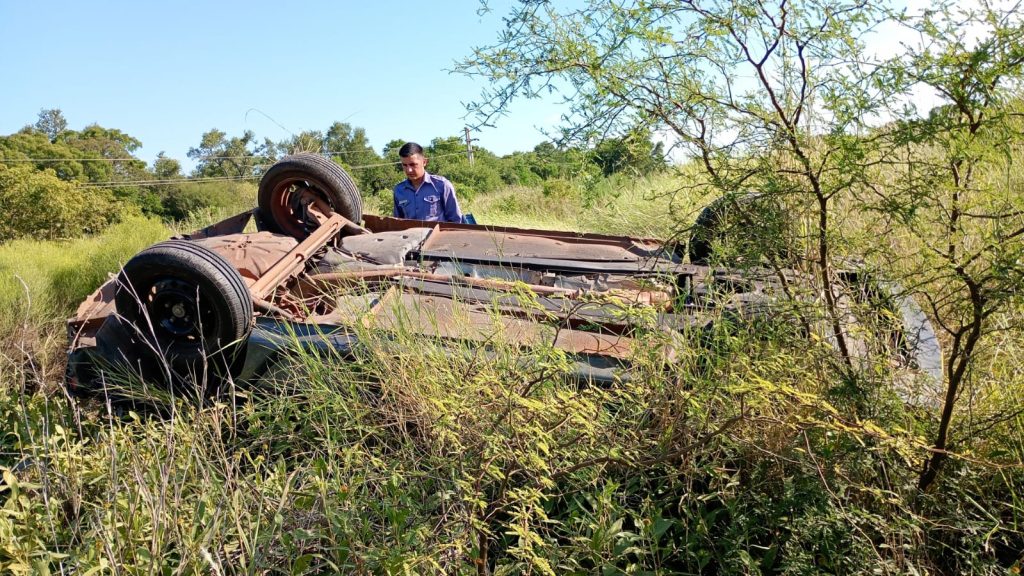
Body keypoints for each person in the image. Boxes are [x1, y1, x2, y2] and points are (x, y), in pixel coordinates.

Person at [392, 142, 463, 222]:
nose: (409, 170)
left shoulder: (442, 185)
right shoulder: (399, 190)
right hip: (410, 234)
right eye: (405, 165)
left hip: (438, 234)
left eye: (413, 165)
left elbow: (456, 220)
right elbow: (398, 222)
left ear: (424, 162)